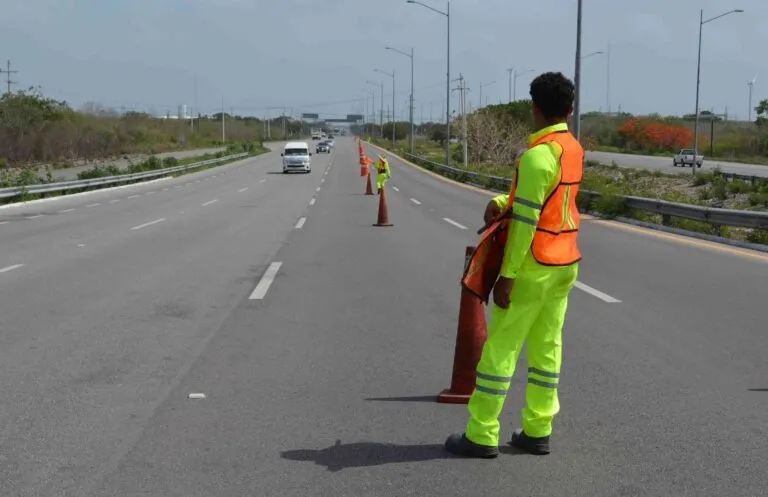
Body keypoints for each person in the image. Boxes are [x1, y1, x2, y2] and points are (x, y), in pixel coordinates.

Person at [445, 71, 584, 459]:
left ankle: (482, 433)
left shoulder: (538, 157)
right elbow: (548, 202)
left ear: (534, 109)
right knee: (546, 350)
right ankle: (538, 430)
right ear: (570, 111)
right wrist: (504, 201)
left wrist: (507, 277)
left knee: (500, 351)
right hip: (565, 262)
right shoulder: (571, 149)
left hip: (533, 266)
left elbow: (526, 223)